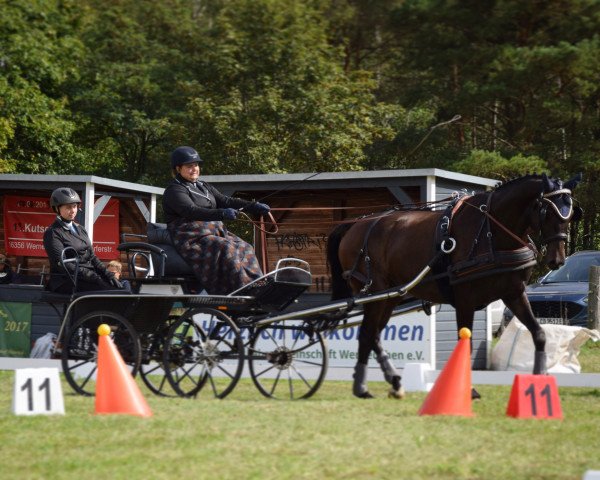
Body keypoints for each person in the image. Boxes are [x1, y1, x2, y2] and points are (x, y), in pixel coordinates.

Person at [162, 146, 270, 294]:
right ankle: (242, 288)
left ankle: (258, 283)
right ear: (178, 168)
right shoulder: (174, 190)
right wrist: (222, 214)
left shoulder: (204, 186)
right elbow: (191, 211)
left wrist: (253, 206)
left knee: (245, 246)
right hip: (192, 237)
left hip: (214, 232)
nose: (194, 169)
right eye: (189, 166)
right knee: (226, 247)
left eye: (196, 165)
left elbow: (226, 201)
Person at [43, 187, 125, 293]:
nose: (72, 210)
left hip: (87, 276)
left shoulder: (80, 229)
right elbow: (63, 264)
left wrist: (107, 274)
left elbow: (92, 257)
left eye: (74, 206)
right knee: (109, 291)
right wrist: (92, 276)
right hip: (67, 280)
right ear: (57, 208)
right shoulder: (53, 232)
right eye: (68, 207)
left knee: (121, 287)